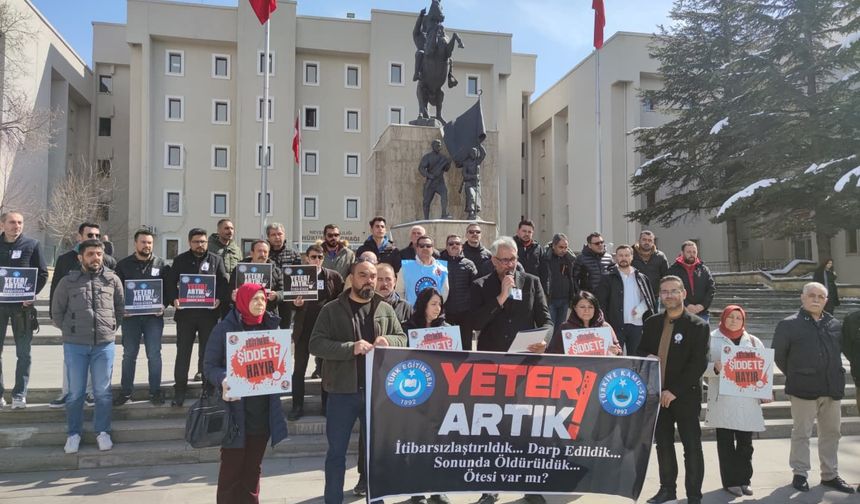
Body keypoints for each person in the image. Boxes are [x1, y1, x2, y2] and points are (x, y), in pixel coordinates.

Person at [309, 258, 406, 504]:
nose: (370, 280)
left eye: (373, 276)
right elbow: (316, 344)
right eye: (363, 275)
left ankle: (377, 500)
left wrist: (389, 341)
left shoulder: (384, 308)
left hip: (377, 392)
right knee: (336, 454)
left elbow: (402, 338)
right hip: (341, 392)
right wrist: (350, 348)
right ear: (352, 278)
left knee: (376, 454)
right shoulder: (331, 309)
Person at [471, 236, 551, 504]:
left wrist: (544, 341)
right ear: (493, 261)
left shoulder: (532, 282)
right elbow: (476, 323)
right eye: (503, 260)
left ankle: (529, 485)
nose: (509, 265)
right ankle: (490, 488)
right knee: (493, 428)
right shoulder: (481, 285)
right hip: (492, 367)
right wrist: (501, 297)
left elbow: (546, 320)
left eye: (513, 259)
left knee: (525, 427)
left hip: (525, 365)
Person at [204, 283, 289, 504]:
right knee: (231, 472)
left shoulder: (272, 328)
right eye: (254, 299)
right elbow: (209, 365)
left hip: (262, 414)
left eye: (263, 299)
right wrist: (223, 379)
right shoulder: (224, 328)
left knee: (253, 471)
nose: (260, 304)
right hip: (234, 413)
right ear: (242, 301)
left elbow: (279, 366)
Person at [772, 282, 854, 494]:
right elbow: (779, 357)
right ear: (803, 297)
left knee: (832, 433)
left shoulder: (834, 324)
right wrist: (799, 374)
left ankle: (830, 475)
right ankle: (800, 473)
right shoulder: (788, 324)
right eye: (812, 295)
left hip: (831, 388)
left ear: (826, 300)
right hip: (803, 390)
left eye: (820, 296)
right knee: (802, 433)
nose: (816, 299)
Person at [638, 275, 709, 504]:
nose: (669, 295)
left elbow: (698, 363)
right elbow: (640, 352)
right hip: (657, 395)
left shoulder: (698, 325)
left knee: (692, 447)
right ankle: (667, 489)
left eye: (674, 291)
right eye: (665, 291)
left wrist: (674, 391)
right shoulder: (652, 323)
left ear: (683, 293)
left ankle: (694, 495)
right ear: (660, 295)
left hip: (685, 396)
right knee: (664, 445)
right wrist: (645, 356)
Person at [51, 239, 124, 454]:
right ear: (80, 257)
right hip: (75, 345)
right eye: (91, 254)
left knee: (102, 392)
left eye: (99, 254)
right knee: (75, 393)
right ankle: (73, 433)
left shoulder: (112, 280)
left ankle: (103, 431)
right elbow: (57, 313)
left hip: (104, 345)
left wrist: (109, 327)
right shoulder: (68, 282)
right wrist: (71, 331)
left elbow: (119, 308)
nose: (96, 258)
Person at [49, 222, 116, 408]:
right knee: (70, 361)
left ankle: (89, 393)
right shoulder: (65, 259)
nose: (94, 238)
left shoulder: (108, 261)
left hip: (99, 325)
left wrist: (110, 322)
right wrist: (56, 317)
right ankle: (67, 392)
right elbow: (56, 289)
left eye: (97, 235)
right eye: (89, 235)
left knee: (97, 360)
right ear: (79, 237)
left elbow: (115, 294)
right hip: (73, 322)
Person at [702, 306, 767, 497]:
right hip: (723, 400)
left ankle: (744, 480)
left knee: (746, 444)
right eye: (730, 317)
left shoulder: (754, 341)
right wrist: (714, 367)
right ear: (723, 318)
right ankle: (730, 481)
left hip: (747, 401)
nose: (734, 320)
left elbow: (764, 369)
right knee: (726, 443)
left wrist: (765, 390)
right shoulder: (711, 339)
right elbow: (698, 366)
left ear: (743, 321)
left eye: (738, 318)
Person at [165, 228, 230, 406]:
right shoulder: (180, 260)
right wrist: (173, 299)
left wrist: (218, 299)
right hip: (185, 315)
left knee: (208, 354)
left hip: (208, 315)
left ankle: (208, 389)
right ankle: (179, 390)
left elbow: (224, 283)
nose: (200, 245)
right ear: (189, 242)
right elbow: (170, 282)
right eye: (196, 242)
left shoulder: (216, 260)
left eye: (203, 241)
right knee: (183, 353)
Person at [402, 288, 453, 504]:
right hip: (414, 394)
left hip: (439, 396)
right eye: (433, 303)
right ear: (423, 304)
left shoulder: (448, 329)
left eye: (439, 304)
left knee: (438, 444)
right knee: (416, 443)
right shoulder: (407, 328)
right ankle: (417, 490)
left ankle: (437, 489)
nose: (437, 308)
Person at [113, 229, 170, 406]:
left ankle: (155, 391)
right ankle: (126, 391)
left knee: (154, 354)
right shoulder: (123, 265)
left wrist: (164, 305)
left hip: (154, 318)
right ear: (136, 243)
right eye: (143, 242)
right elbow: (117, 290)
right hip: (131, 318)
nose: (147, 246)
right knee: (129, 354)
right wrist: (122, 309)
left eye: (150, 243)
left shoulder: (161, 265)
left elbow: (168, 289)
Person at [289, 244, 344, 420]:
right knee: (299, 369)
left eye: (320, 257)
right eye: (313, 257)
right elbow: (287, 302)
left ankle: (326, 405)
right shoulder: (298, 275)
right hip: (303, 330)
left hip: (325, 331)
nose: (317, 260)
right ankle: (297, 405)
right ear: (307, 258)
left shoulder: (333, 277)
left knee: (326, 370)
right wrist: (295, 304)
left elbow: (341, 301)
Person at [0, 211, 49, 409]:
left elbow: (43, 273)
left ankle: (20, 394)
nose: (16, 226)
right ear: (2, 224)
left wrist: (32, 294)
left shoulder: (32, 245)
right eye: (12, 222)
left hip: (22, 308)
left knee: (24, 353)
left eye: (20, 222)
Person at [599, 244, 657, 356]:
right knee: (615, 358)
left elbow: (649, 300)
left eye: (626, 255)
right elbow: (602, 303)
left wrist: (640, 309)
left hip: (637, 325)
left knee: (636, 358)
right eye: (620, 255)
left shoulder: (641, 278)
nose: (623, 258)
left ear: (632, 257)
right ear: (616, 258)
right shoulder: (607, 277)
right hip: (615, 325)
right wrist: (604, 323)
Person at [547, 290, 621, 355]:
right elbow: (552, 354)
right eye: (582, 307)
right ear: (575, 308)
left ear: (595, 309)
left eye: (590, 307)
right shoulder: (565, 328)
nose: (586, 310)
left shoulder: (605, 327)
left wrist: (616, 351)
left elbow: (619, 352)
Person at [439, 234, 478, 350]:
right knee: (447, 345)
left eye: (457, 243)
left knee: (466, 346)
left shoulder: (469, 264)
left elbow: (475, 288)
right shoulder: (439, 263)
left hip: (465, 312)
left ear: (462, 246)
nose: (454, 246)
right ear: (446, 246)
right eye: (451, 244)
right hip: (446, 312)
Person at [667, 241, 715, 323]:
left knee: (702, 336)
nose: (692, 254)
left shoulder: (704, 269)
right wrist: (687, 305)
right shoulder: (673, 270)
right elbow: (671, 290)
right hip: (680, 313)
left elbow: (711, 289)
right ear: (682, 253)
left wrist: (702, 306)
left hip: (702, 313)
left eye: (694, 252)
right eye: (689, 252)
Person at [229, 240, 283, 311]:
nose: (262, 254)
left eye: (265, 252)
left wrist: (277, 295)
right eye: (259, 251)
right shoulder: (239, 269)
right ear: (252, 253)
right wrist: (233, 296)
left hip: (268, 313)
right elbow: (230, 289)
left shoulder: (276, 270)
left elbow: (283, 290)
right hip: (244, 313)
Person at [266, 222, 301, 329]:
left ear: (284, 235)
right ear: (268, 237)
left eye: (279, 234)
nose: (277, 237)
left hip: (287, 300)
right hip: (268, 300)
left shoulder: (294, 254)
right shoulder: (264, 253)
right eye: (273, 235)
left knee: (285, 330)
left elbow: (298, 277)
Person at [539, 233, 576, 328]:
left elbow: (571, 278)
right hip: (550, 300)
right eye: (561, 247)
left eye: (566, 247)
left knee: (560, 329)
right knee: (550, 329)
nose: (564, 250)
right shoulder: (545, 258)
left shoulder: (569, 259)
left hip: (564, 300)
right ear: (554, 246)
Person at [401, 235, 449, 306]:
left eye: (428, 246)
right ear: (417, 248)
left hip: (433, 313)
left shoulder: (442, 268)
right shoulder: (405, 267)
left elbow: (444, 292)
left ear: (432, 249)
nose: (425, 248)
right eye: (421, 246)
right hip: (412, 313)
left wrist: (435, 307)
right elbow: (399, 292)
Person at [418, 139, 452, 220]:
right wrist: (429, 175)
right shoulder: (427, 157)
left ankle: (444, 214)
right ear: (433, 146)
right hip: (431, 183)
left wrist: (449, 163)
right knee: (426, 202)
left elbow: (446, 169)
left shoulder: (443, 157)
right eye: (437, 145)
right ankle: (426, 218)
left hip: (440, 182)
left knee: (444, 195)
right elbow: (421, 168)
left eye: (440, 145)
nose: (439, 147)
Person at [632, 230, 669, 298]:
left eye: (650, 240)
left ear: (653, 242)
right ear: (639, 240)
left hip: (654, 296)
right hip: (634, 295)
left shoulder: (660, 256)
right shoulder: (631, 255)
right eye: (644, 239)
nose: (647, 242)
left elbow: (665, 276)